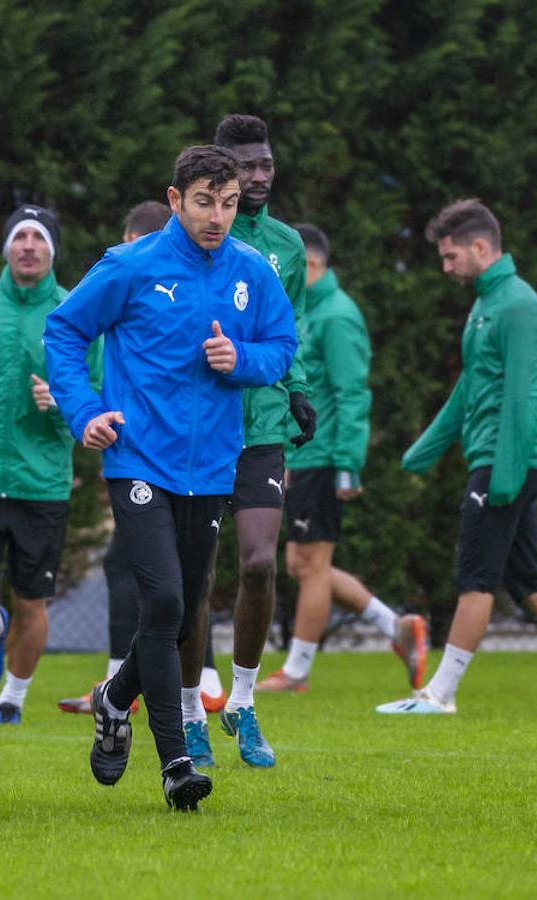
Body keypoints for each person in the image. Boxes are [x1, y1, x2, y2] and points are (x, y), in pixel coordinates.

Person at [44, 145, 297, 810]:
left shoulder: (252, 271)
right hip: (136, 458)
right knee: (162, 605)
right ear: (176, 198)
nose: (217, 215)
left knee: (182, 616)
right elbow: (65, 331)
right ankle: (176, 765)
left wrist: (238, 358)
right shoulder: (130, 265)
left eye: (230, 203)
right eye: (205, 201)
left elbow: (281, 347)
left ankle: (113, 699)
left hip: (213, 465)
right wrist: (86, 411)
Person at [377, 199, 537, 717]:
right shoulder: (486, 303)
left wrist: (507, 476)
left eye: (450, 257)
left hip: (505, 462)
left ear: (480, 247)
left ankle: (439, 694)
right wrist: (426, 448)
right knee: (531, 581)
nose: (445, 267)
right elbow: (473, 385)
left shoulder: (518, 306)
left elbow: (520, 395)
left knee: (475, 579)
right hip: (498, 460)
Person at [177, 114, 316, 770]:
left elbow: (291, 326)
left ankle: (242, 699)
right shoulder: (189, 239)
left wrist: (298, 388)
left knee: (259, 563)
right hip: (197, 429)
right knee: (194, 576)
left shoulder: (285, 245)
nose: (259, 176)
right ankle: (187, 709)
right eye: (245, 167)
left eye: (265, 164)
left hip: (260, 424)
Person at [256, 222, 428, 694]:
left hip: (326, 456)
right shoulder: (308, 311)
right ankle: (394, 625)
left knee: (311, 566)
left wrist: (348, 462)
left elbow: (353, 394)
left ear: (310, 264)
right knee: (300, 564)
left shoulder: (337, 316)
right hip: (304, 457)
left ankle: (296, 672)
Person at [0, 204, 101, 726]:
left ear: (53, 251)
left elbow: (99, 399)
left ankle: (12, 699)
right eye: (21, 236)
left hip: (42, 483)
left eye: (40, 238)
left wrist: (63, 405)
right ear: (7, 247)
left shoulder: (73, 311)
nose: (29, 246)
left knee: (32, 599)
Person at [59, 199, 175, 717]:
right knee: (159, 572)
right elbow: (70, 344)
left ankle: (133, 686)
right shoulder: (119, 298)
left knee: (180, 576)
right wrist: (83, 410)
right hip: (127, 449)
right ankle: (123, 684)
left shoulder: (149, 286)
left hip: (158, 452)